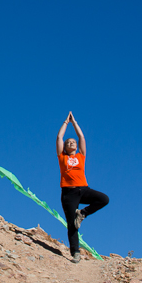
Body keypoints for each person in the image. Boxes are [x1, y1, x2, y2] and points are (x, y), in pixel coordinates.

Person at [56, 111, 109, 263]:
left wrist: (74, 123)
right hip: (68, 193)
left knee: (104, 199)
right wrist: (66, 123)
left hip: (83, 189)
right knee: (72, 224)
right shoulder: (62, 157)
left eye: (73, 142)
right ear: (65, 147)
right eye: (68, 142)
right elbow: (59, 137)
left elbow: (82, 138)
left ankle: (83, 213)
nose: (71, 143)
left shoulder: (81, 156)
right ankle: (75, 253)